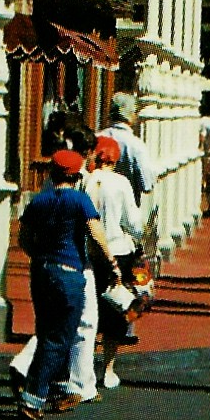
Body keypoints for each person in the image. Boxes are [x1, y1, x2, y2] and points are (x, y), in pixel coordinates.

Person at [17, 149, 121, 420]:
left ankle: (60, 387)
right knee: (60, 335)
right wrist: (111, 261)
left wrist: (40, 256)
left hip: (41, 271)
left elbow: (24, 239)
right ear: (76, 175)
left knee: (46, 330)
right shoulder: (79, 200)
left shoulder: (39, 201)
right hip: (69, 273)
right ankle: (33, 397)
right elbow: (95, 232)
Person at [87, 135, 145, 391]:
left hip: (90, 253)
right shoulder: (121, 183)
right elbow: (133, 223)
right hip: (118, 251)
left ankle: (84, 364)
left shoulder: (85, 181)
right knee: (117, 308)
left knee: (89, 310)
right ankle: (109, 367)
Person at [97, 93, 156, 207]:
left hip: (97, 207)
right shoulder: (136, 145)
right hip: (126, 209)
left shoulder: (97, 138)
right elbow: (147, 185)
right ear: (131, 115)